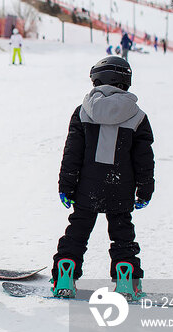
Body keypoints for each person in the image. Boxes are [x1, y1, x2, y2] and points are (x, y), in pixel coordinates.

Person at [51, 56, 154, 301]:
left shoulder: (83, 112)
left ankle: (66, 274)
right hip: (121, 186)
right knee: (122, 235)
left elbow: (72, 153)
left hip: (87, 186)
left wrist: (66, 186)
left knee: (77, 231)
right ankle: (126, 281)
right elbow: (144, 160)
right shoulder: (138, 116)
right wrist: (145, 190)